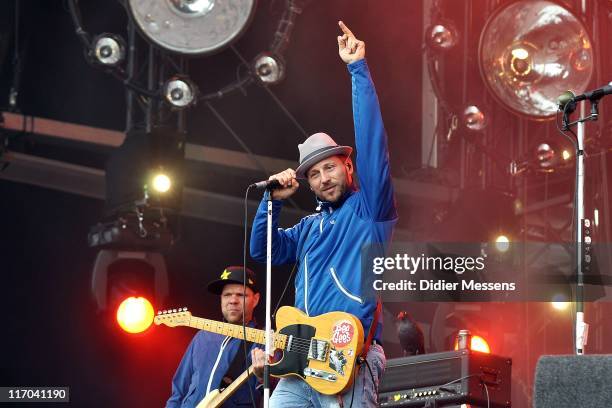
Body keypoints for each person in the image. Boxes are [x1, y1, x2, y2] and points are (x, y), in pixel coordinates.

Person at [249, 20, 397, 407]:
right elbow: (264, 252)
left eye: (329, 167)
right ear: (309, 186)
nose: (324, 178)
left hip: (349, 358)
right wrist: (272, 202)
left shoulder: (369, 212)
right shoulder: (308, 228)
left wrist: (357, 69)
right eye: (314, 174)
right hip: (300, 363)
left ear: (348, 167)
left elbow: (374, 145)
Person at [166, 266, 264, 408]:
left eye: (241, 295)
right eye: (227, 295)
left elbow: (274, 394)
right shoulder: (202, 336)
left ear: (255, 299)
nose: (233, 300)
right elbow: (178, 391)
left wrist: (263, 378)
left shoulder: (263, 340)